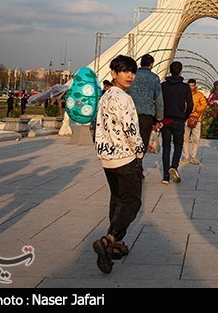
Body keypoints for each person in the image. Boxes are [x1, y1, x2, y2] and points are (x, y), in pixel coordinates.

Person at [91, 55, 144, 274]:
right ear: (114, 73)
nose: (129, 75)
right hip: (125, 157)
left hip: (108, 159)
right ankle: (108, 240)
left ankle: (113, 247)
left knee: (117, 199)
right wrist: (139, 151)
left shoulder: (105, 96)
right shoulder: (122, 98)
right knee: (131, 202)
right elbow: (130, 128)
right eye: (124, 70)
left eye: (132, 71)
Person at [159, 61, 193, 185]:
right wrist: (185, 116)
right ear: (180, 71)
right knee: (178, 145)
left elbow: (159, 102)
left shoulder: (163, 86)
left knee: (166, 147)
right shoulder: (185, 87)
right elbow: (190, 105)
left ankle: (165, 176)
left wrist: (159, 118)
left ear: (170, 70)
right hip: (179, 119)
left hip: (166, 120)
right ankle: (174, 165)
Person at [126, 54, 164, 161]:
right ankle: (138, 164)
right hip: (146, 116)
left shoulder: (132, 76)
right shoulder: (154, 78)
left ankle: (131, 163)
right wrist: (159, 118)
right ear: (151, 64)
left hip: (130, 115)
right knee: (142, 142)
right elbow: (159, 99)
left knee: (130, 141)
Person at [180, 79, 207, 165]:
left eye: (192, 85)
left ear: (195, 86)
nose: (191, 87)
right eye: (189, 85)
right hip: (186, 118)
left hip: (196, 118)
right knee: (185, 138)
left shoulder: (199, 95)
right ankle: (186, 157)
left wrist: (197, 109)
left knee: (196, 139)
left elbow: (204, 105)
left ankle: (193, 157)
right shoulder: (183, 94)